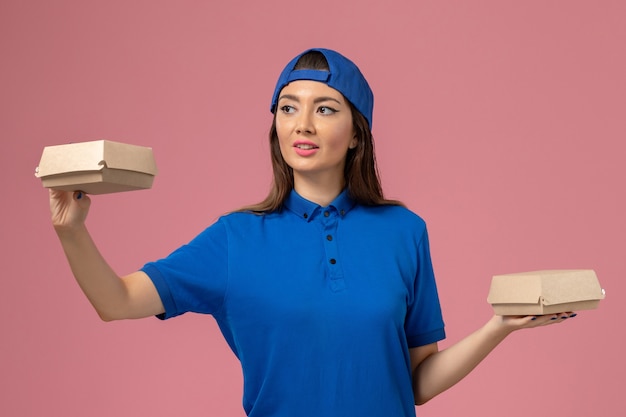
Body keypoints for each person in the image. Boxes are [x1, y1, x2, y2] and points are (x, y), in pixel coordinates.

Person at [49, 48, 574, 417]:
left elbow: (416, 385)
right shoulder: (235, 239)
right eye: (288, 108)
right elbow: (115, 300)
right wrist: (71, 232)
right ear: (275, 125)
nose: (302, 125)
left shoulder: (404, 232)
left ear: (355, 134)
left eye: (325, 109)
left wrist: (499, 327)